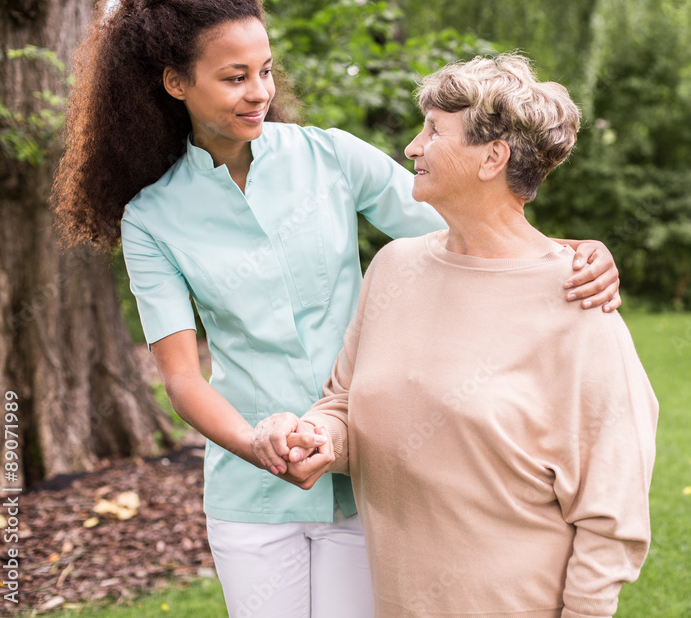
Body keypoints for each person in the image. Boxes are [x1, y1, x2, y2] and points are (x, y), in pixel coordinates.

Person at [51, 0, 624, 618]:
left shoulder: (332, 158)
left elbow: (475, 225)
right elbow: (183, 379)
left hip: (367, 478)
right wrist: (255, 444)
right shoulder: (153, 217)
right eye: (235, 77)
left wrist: (565, 254)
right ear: (176, 83)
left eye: (265, 70)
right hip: (251, 496)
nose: (260, 92)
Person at [254, 55, 659, 617]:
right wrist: (316, 435)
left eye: (434, 131)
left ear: (493, 157)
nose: (413, 148)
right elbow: (345, 403)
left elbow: (611, 513)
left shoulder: (581, 307)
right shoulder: (395, 267)